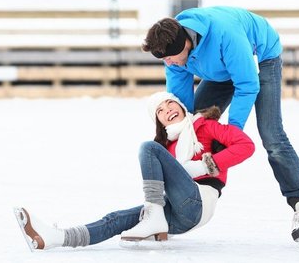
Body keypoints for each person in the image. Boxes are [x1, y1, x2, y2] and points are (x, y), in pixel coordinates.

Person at [141, 6, 299, 248]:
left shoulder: (225, 35)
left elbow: (247, 85)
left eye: (169, 58)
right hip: (223, 68)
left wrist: (233, 132)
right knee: (193, 126)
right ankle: (181, 197)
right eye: (163, 59)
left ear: (184, 44)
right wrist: (184, 129)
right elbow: (182, 110)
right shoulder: (171, 47)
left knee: (272, 136)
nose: (168, 63)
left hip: (261, 58)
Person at [14, 91, 255, 250]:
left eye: (170, 102)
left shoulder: (206, 126)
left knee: (148, 148)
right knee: (116, 219)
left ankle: (154, 216)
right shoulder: (166, 148)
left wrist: (205, 165)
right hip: (180, 217)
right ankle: (59, 238)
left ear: (180, 105)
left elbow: (247, 145)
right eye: (160, 111)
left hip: (200, 201)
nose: (167, 109)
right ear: (160, 122)